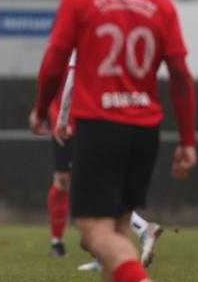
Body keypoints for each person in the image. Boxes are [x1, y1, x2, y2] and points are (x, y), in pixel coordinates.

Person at [30, 0, 197, 282]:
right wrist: (188, 140)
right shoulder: (161, 4)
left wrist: (41, 107)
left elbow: (55, 61)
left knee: (92, 232)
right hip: (145, 131)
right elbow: (179, 75)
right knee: (117, 234)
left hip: (100, 126)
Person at [32, 51, 163, 267]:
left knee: (84, 193)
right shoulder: (96, 50)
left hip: (79, 127)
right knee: (88, 188)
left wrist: (57, 119)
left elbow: (65, 86)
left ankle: (137, 233)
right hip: (100, 123)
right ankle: (104, 253)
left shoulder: (74, 49)